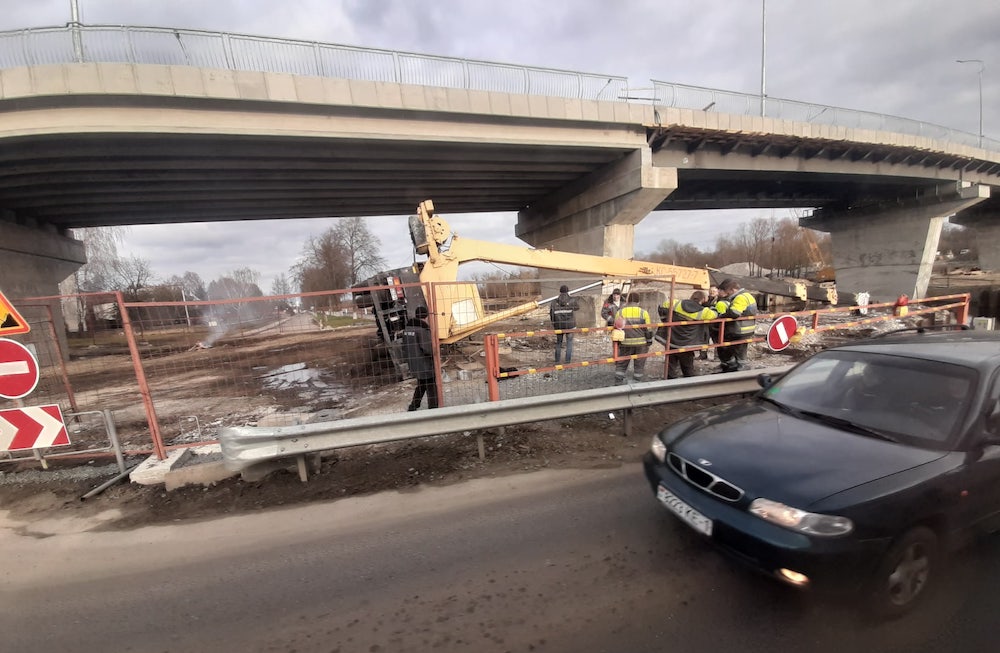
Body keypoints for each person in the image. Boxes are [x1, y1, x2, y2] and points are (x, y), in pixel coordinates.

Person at [658, 290, 718, 379]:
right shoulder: (704, 312)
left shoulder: (676, 303)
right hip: (687, 342)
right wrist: (710, 306)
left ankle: (670, 379)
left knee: (671, 360)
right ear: (704, 299)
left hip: (672, 339)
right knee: (687, 363)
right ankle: (688, 379)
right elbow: (715, 314)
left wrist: (664, 320)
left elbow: (662, 307)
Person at [714, 278, 759, 373]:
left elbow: (734, 313)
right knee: (738, 350)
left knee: (731, 348)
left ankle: (737, 369)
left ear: (732, 290)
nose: (727, 294)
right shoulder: (747, 295)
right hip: (746, 328)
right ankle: (737, 367)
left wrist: (722, 316)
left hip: (739, 329)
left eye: (727, 292)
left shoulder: (740, 297)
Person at [401, 305, 439, 410]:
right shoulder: (423, 330)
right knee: (431, 385)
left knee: (422, 384)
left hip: (413, 363)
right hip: (424, 363)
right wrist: (435, 353)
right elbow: (427, 348)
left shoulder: (407, 329)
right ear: (426, 316)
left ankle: (413, 406)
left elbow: (404, 347)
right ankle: (433, 408)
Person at [613, 293, 653, 384]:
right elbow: (648, 329)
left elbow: (616, 327)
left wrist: (617, 343)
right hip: (641, 344)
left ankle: (618, 382)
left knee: (622, 363)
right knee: (639, 363)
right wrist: (649, 341)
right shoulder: (643, 312)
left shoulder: (620, 312)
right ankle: (636, 382)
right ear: (638, 302)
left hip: (625, 343)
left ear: (628, 301)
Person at [549, 284, 580, 363]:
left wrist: (554, 324)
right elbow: (577, 308)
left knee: (559, 343)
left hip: (558, 325)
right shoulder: (572, 300)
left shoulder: (554, 302)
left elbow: (551, 314)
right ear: (568, 291)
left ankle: (557, 361)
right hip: (570, 326)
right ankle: (567, 361)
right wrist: (571, 300)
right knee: (569, 343)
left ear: (560, 292)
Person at [698, 286, 719, 360]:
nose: (712, 292)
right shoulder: (705, 299)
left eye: (714, 291)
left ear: (717, 292)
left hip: (715, 324)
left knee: (716, 341)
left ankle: (717, 357)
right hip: (706, 324)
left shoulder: (719, 300)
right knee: (704, 340)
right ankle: (703, 355)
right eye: (711, 291)